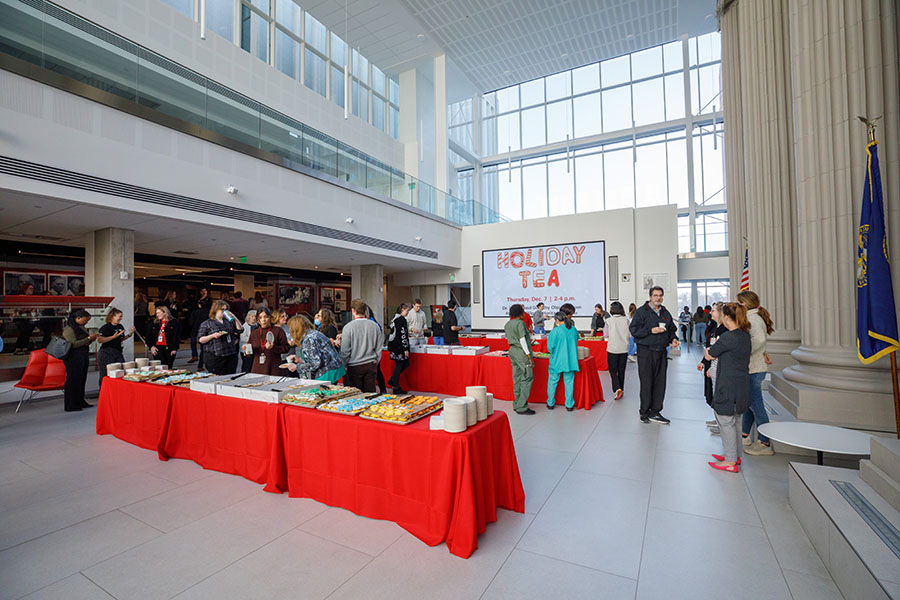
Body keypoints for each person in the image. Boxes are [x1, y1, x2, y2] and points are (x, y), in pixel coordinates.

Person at [705, 303, 753, 473]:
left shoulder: (728, 337)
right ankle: (734, 454)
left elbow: (710, 353)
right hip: (741, 383)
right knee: (736, 420)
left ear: (726, 317)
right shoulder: (745, 336)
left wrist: (708, 351)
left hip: (728, 384)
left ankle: (730, 460)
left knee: (725, 421)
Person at [630, 286, 679, 424]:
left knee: (660, 383)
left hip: (661, 352)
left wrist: (673, 339)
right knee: (646, 382)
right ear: (650, 297)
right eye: (655, 295)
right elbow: (634, 330)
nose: (658, 298)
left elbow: (671, 329)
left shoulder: (664, 312)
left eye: (660, 295)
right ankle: (644, 412)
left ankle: (655, 412)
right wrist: (651, 330)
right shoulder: (641, 312)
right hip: (646, 352)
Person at [737, 290, 776, 456]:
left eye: (739, 303)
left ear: (745, 304)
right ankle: (745, 435)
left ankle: (764, 441)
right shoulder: (752, 317)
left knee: (756, 405)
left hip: (754, 368)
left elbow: (758, 340)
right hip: (752, 367)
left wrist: (745, 351)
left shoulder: (753, 319)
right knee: (749, 405)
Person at [339, 299, 384, 392]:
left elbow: (345, 350)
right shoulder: (374, 326)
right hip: (370, 364)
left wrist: (345, 363)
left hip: (354, 366)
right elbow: (379, 347)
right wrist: (376, 360)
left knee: (356, 395)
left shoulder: (348, 327)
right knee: (370, 394)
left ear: (353, 310)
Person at [285, 315, 345, 383]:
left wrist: (297, 367)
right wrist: (300, 360)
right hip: (333, 368)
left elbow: (315, 363)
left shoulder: (309, 338)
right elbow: (317, 356)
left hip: (327, 371)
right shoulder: (312, 333)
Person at [61, 308, 98, 411]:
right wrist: (89, 339)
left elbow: (84, 342)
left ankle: (80, 401)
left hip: (82, 356)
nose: (86, 322)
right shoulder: (69, 329)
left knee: (81, 380)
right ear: (78, 318)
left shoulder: (80, 328)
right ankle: (71, 404)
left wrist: (90, 339)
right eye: (85, 320)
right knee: (73, 380)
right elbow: (72, 344)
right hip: (73, 358)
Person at [698, 302, 727, 431]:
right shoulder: (715, 328)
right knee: (713, 393)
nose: (711, 313)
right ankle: (718, 419)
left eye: (714, 311)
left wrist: (712, 366)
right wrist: (703, 362)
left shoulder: (724, 331)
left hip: (717, 367)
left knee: (718, 394)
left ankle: (722, 423)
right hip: (711, 365)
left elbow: (719, 351)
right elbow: (711, 347)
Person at [198, 300, 243, 375]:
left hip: (230, 354)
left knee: (230, 376)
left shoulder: (228, 322)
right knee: (218, 377)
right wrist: (212, 335)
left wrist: (234, 317)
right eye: (222, 309)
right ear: (216, 310)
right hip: (216, 355)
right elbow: (200, 339)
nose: (224, 311)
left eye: (226, 309)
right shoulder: (207, 323)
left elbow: (240, 330)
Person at [504, 304, 535, 415]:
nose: (524, 314)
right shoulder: (520, 323)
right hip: (521, 353)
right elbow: (522, 340)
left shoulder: (507, 324)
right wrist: (529, 355)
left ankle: (517, 403)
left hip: (512, 351)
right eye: (523, 311)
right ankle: (522, 407)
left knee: (516, 377)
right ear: (520, 313)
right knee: (527, 377)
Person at [546, 311, 579, 411]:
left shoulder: (555, 331)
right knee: (569, 383)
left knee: (552, 381)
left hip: (557, 360)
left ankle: (550, 403)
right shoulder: (573, 329)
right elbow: (576, 340)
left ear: (556, 320)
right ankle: (569, 405)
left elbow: (550, 348)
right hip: (570, 360)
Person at [96, 307, 135, 391]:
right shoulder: (106, 327)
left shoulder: (120, 326)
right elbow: (100, 340)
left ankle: (117, 391)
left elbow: (120, 339)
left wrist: (129, 335)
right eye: (119, 316)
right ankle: (104, 392)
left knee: (121, 371)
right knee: (105, 374)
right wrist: (113, 337)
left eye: (121, 316)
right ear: (113, 316)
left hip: (117, 351)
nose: (121, 318)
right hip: (106, 352)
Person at [247, 307, 289, 375]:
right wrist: (247, 351)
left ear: (270, 317)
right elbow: (250, 352)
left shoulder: (278, 330)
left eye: (265, 317)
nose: (263, 320)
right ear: (258, 319)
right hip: (257, 368)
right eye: (260, 317)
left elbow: (286, 348)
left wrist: (273, 347)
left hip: (274, 368)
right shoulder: (254, 332)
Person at [605, 301, 631, 400]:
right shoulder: (626, 320)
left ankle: (617, 389)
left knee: (612, 370)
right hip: (624, 348)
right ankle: (621, 389)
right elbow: (630, 334)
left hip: (612, 348)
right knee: (621, 370)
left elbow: (605, 335)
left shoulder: (608, 321)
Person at [386, 304, 411, 393]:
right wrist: (405, 348)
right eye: (407, 310)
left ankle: (393, 380)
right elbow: (402, 335)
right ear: (402, 309)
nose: (407, 312)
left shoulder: (394, 319)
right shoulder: (401, 320)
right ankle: (395, 385)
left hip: (394, 345)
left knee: (400, 365)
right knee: (401, 365)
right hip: (399, 347)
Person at [13, 281, 36, 355]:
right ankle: (18, 348)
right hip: (21, 318)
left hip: (29, 318)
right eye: (30, 289)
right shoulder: (20, 297)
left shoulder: (31, 298)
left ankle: (24, 348)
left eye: (32, 289)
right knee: (22, 333)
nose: (32, 290)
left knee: (27, 333)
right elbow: (19, 308)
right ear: (25, 289)